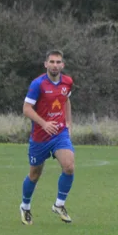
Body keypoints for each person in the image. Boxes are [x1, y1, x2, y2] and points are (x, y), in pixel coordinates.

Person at [20, 50, 75, 224]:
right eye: (52, 62)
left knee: (69, 166)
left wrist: (68, 122)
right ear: (46, 64)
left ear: (62, 65)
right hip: (40, 137)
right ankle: (25, 206)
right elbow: (26, 109)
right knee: (34, 174)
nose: (55, 65)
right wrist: (44, 124)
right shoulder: (38, 84)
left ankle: (59, 205)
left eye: (58, 62)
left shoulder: (67, 82)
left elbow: (66, 100)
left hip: (60, 133)